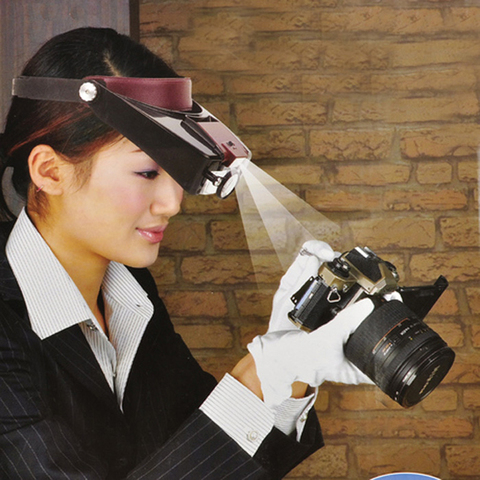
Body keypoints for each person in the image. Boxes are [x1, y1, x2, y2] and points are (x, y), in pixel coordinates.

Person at [0, 27, 375, 479]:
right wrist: (263, 375)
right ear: (50, 171)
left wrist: (291, 358)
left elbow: (202, 450)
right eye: (146, 171)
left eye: (176, 172)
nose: (173, 203)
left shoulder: (130, 292)